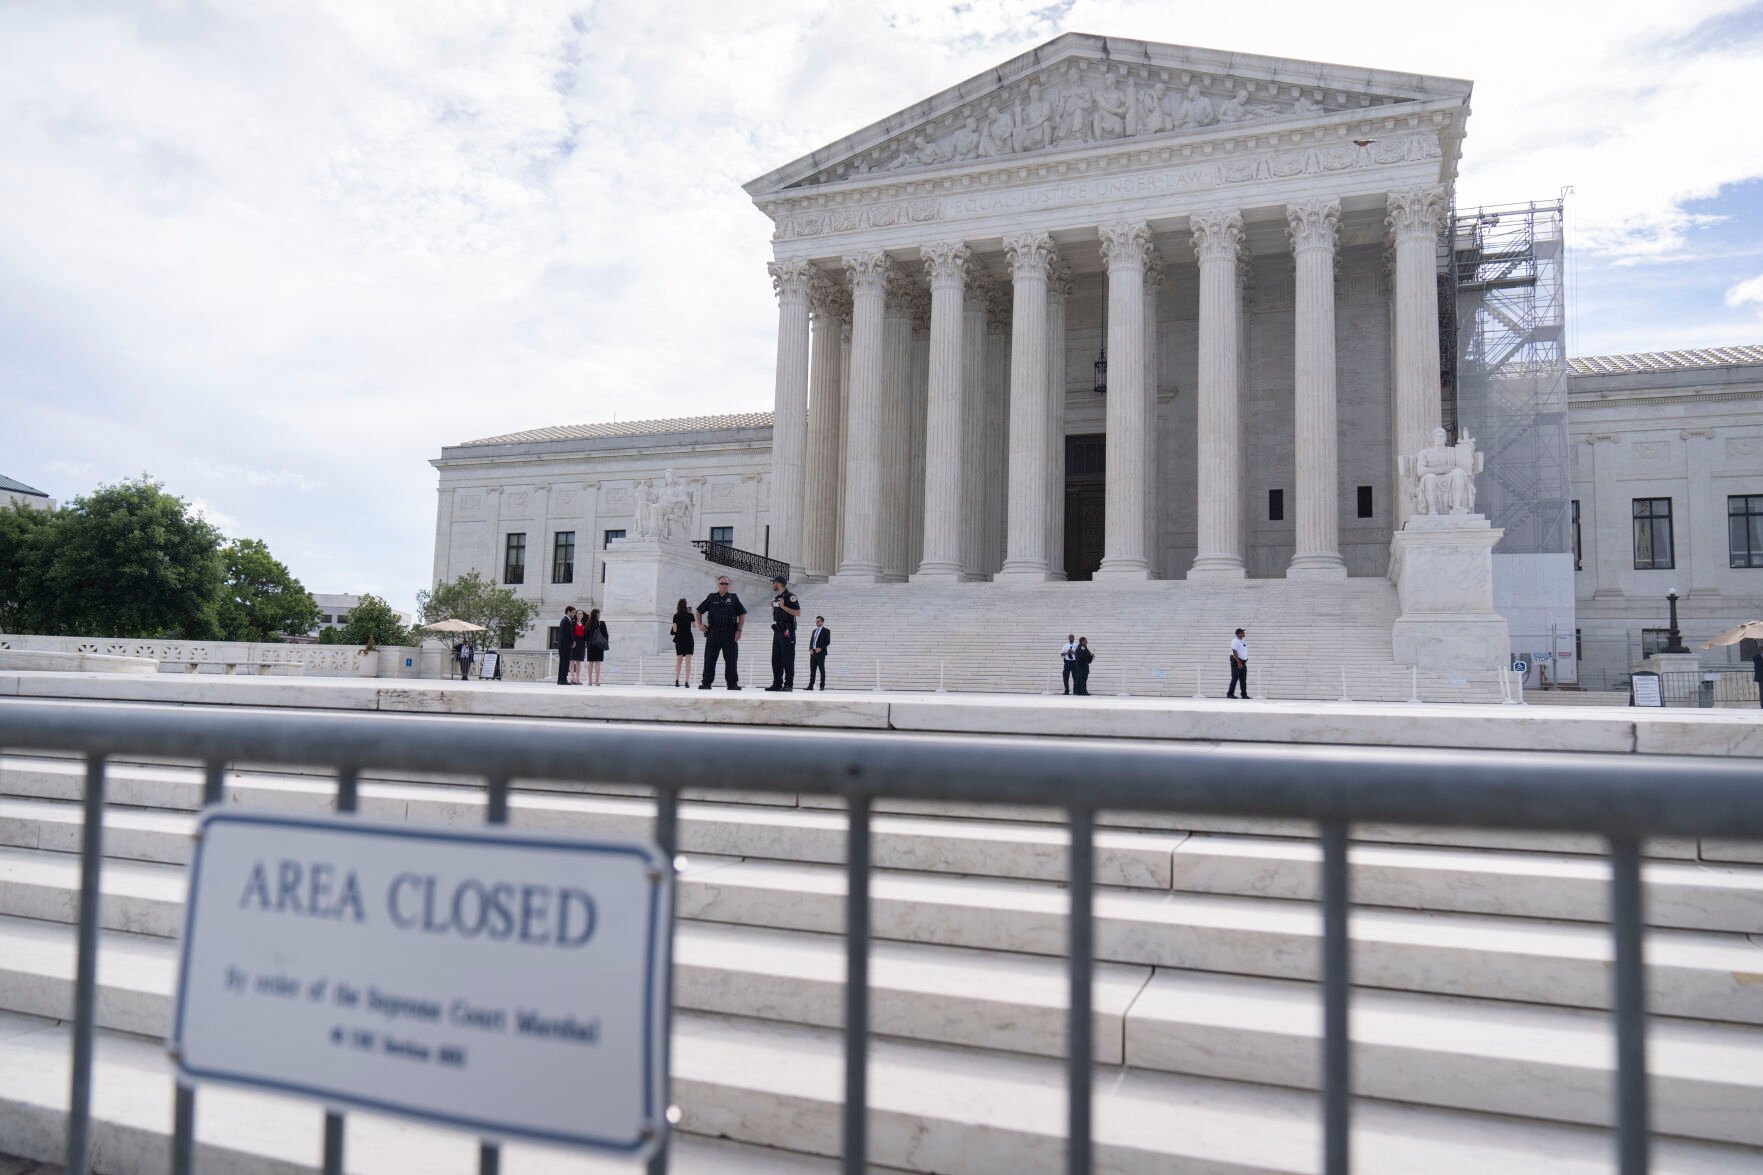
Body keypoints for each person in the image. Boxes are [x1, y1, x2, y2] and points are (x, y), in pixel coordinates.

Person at [696, 575, 747, 690]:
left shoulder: (733, 598)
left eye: (726, 584)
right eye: (722, 583)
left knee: (731, 660)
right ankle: (706, 683)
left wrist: (739, 630)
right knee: (709, 659)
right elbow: (699, 611)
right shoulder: (711, 597)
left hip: (730, 633)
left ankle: (732, 684)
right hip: (713, 633)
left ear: (729, 585)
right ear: (718, 585)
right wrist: (699, 624)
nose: (724, 585)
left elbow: (742, 614)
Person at [766, 575, 801, 691]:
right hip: (778, 630)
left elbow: (797, 612)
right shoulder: (778, 597)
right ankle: (777, 683)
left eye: (774, 583)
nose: (772, 585)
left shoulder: (790, 597)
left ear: (779, 583)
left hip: (787, 630)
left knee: (788, 658)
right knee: (776, 658)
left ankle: (789, 684)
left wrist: (784, 607)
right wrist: (774, 604)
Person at [670, 598, 695, 687]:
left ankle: (677, 680)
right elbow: (695, 626)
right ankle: (687, 681)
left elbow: (675, 630)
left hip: (679, 639)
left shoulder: (675, 616)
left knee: (678, 661)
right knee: (688, 661)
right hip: (688, 638)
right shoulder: (690, 615)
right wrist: (691, 614)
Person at [582, 607, 608, 686]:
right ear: (597, 614)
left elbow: (585, 636)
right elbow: (606, 635)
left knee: (590, 663)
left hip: (590, 646)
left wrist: (588, 643)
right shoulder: (602, 623)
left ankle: (589, 681)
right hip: (599, 645)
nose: (600, 615)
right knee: (597, 663)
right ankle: (597, 681)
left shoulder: (588, 624)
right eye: (599, 613)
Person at [807, 616, 832, 690]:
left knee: (821, 670)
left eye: (818, 621)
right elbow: (812, 641)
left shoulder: (826, 631)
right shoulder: (814, 631)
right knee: (812, 670)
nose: (817, 622)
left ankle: (822, 686)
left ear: (822, 622)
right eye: (816, 621)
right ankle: (811, 686)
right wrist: (810, 648)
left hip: (821, 653)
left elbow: (827, 642)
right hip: (813, 653)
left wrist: (820, 648)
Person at [555, 606, 577, 685]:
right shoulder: (566, 620)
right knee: (565, 662)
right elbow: (569, 633)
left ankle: (560, 679)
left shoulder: (566, 620)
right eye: (573, 612)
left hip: (563, 645)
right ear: (568, 612)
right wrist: (573, 641)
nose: (574, 614)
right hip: (565, 645)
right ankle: (563, 680)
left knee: (563, 662)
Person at [1228, 628, 1250, 699]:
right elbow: (1234, 651)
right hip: (1236, 661)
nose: (1244, 633)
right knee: (1235, 678)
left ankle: (1244, 694)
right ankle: (1230, 694)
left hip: (1243, 662)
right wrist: (1238, 662)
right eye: (1242, 632)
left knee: (1243, 679)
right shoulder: (1235, 641)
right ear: (1238, 634)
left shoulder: (1242, 641)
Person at [569, 611, 587, 684]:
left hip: (581, 643)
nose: (580, 615)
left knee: (579, 661)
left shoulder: (584, 623)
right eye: (578, 613)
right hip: (574, 642)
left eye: (581, 613)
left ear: (582, 615)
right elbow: (571, 633)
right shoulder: (573, 623)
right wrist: (572, 641)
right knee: (572, 660)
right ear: (576, 615)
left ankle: (578, 679)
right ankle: (572, 678)